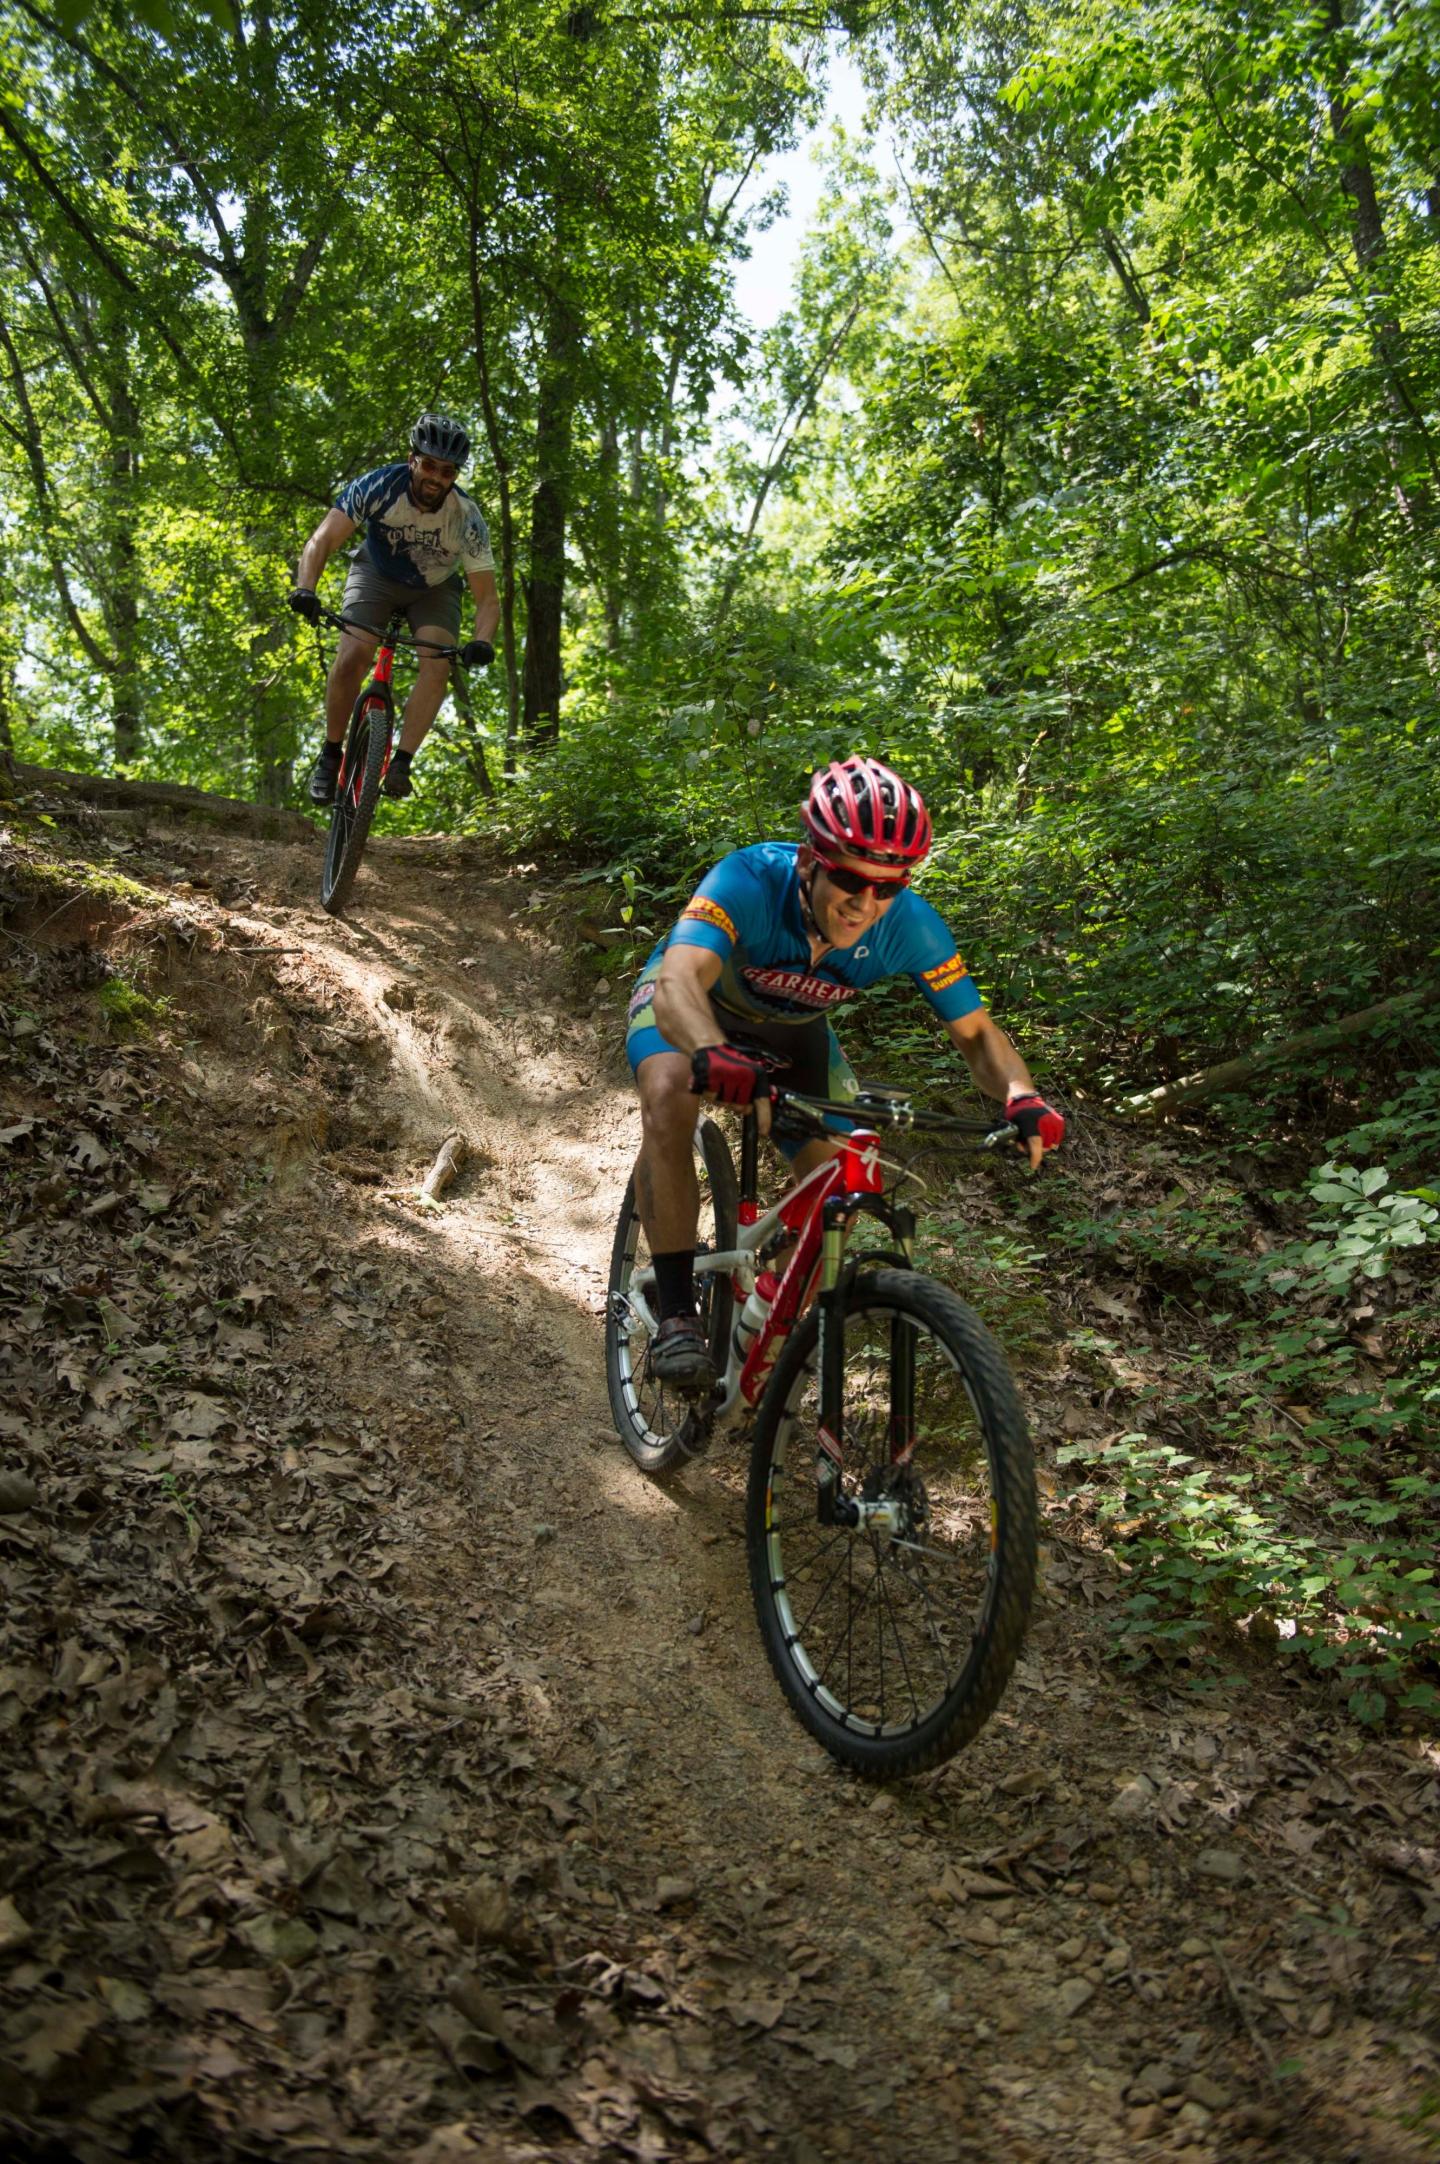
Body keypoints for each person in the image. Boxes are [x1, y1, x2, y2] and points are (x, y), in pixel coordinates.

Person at [626, 755, 1065, 1387]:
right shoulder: (747, 879)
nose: (866, 903)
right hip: (694, 1009)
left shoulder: (912, 927)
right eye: (850, 883)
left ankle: (766, 1323)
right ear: (810, 861)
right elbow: (677, 982)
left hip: (794, 1031)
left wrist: (1021, 1093)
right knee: (669, 1091)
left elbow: (977, 1037)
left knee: (843, 1179)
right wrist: (709, 1049)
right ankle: (675, 1314)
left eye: (889, 887)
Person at [290, 413, 501, 803]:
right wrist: (306, 588)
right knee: (353, 653)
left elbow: (487, 597)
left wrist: (482, 641)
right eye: (430, 465)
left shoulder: (467, 517)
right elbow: (321, 540)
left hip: (434, 589)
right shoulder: (378, 486)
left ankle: (401, 762)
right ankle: (331, 754)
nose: (436, 477)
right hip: (376, 574)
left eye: (448, 471)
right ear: (412, 459)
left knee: (438, 662)